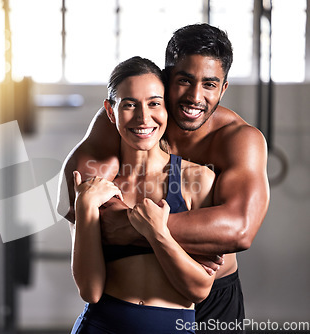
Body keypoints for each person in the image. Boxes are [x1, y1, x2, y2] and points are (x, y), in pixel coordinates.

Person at [59, 24, 270, 334]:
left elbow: (238, 231)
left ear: (223, 88)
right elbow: (76, 199)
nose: (195, 97)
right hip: (127, 302)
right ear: (166, 77)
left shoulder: (238, 139)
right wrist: (166, 232)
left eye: (209, 84)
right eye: (184, 81)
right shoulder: (130, 118)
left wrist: (138, 226)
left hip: (215, 292)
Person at [70, 56, 216, 334]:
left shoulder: (197, 179)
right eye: (129, 105)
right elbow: (91, 290)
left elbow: (199, 289)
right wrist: (85, 207)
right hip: (101, 325)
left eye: (154, 103)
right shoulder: (94, 187)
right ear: (111, 112)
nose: (143, 117)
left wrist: (157, 233)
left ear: (167, 108)